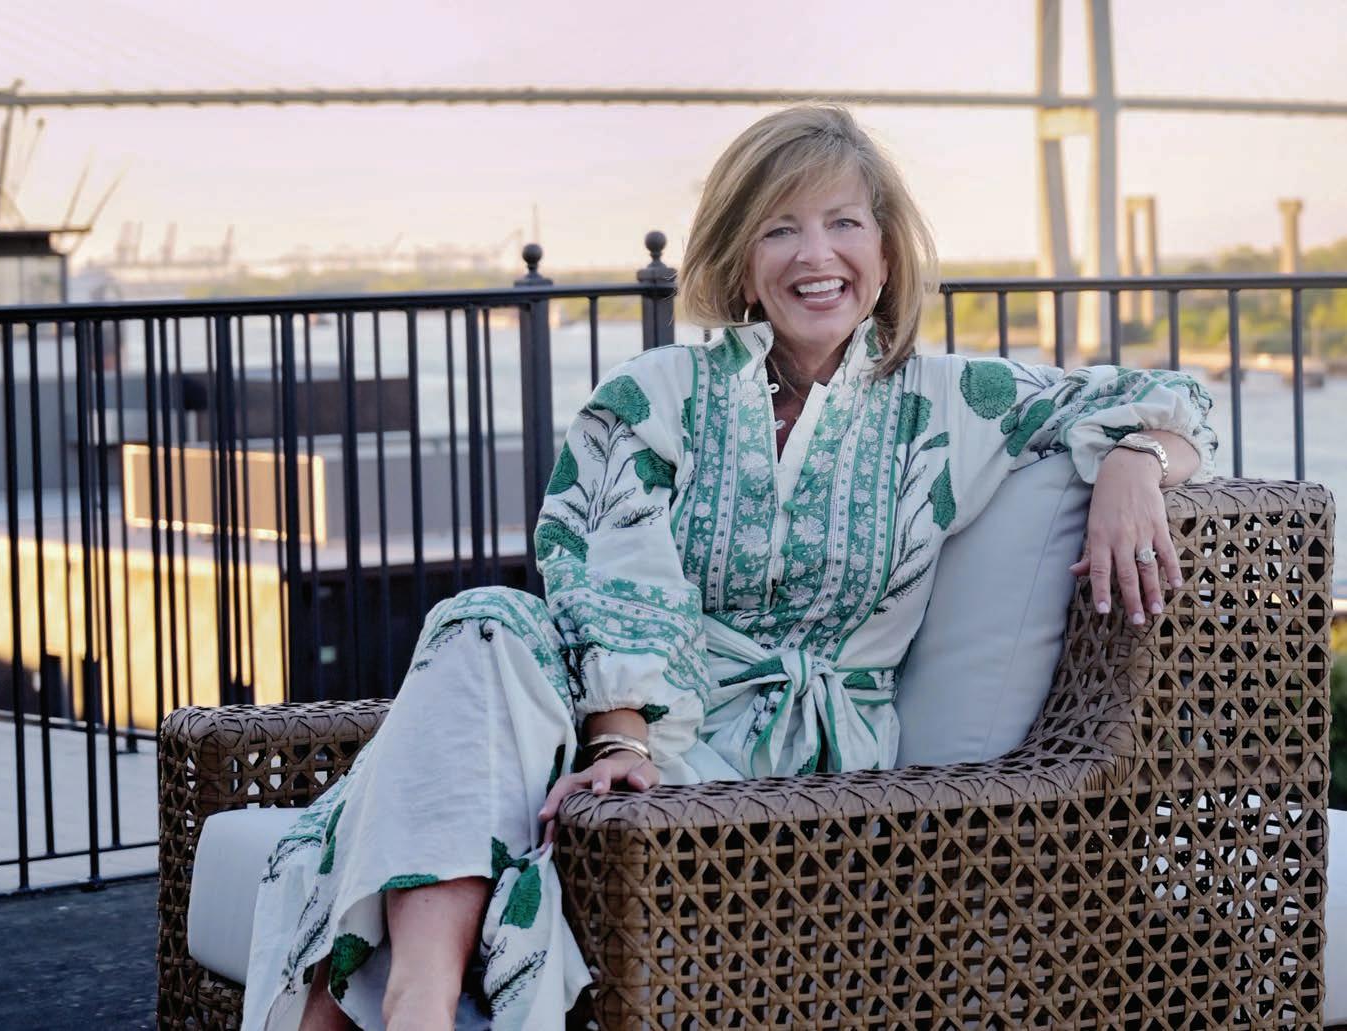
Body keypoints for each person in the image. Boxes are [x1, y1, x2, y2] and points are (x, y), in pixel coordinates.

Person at [243, 105, 1217, 1031]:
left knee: (431, 774)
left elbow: (1172, 396)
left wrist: (1134, 460)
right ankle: (418, 1004)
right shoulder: (658, 390)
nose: (816, 253)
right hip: (652, 736)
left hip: (818, 774)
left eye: (843, 222)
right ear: (742, 260)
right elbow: (615, 565)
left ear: (885, 252)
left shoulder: (953, 399)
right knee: (483, 619)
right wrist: (622, 738)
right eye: (780, 228)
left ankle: (355, 997)